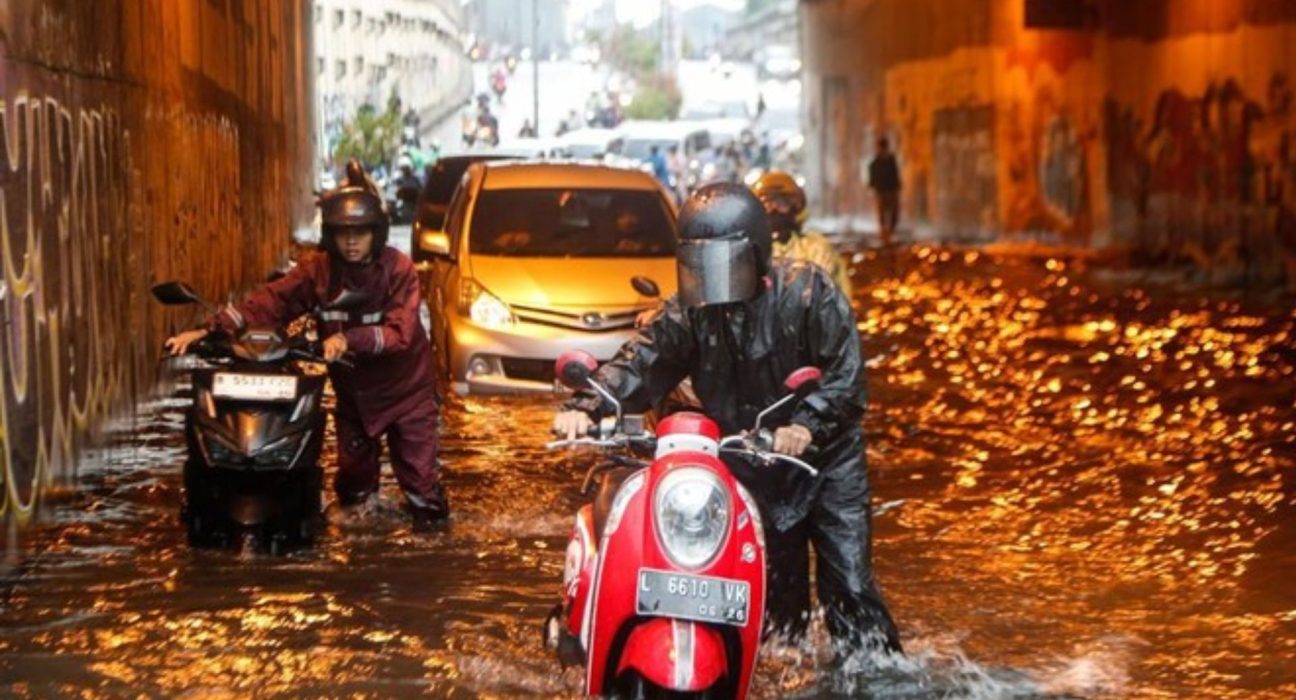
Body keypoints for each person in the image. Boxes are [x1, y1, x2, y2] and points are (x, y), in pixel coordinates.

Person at [553, 183, 901, 657]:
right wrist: (587, 405)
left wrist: (806, 425)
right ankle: (788, 680)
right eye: (700, 266)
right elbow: (642, 361)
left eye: (724, 265)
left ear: (756, 255)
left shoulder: (810, 292)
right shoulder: (690, 312)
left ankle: (875, 675)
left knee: (851, 588)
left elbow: (847, 378)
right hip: (750, 464)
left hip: (825, 465)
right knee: (775, 607)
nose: (712, 280)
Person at [165, 164, 449, 529]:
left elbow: (400, 333)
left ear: (376, 234)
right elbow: (270, 302)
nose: (351, 242)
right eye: (343, 233)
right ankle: (362, 553)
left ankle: (434, 542)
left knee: (421, 489)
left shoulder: (398, 270)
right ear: (330, 236)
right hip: (354, 398)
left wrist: (347, 339)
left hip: (406, 394)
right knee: (355, 489)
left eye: (360, 233)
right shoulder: (318, 271)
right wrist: (208, 330)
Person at [752, 170, 852, 297]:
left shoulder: (816, 247)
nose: (774, 209)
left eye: (782, 203)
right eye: (767, 203)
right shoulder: (750, 250)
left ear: (796, 207)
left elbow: (836, 297)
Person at [868, 137, 902, 246]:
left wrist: (897, 187)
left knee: (894, 212)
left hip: (891, 190)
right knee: (882, 212)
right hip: (881, 191)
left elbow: (896, 175)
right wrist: (873, 186)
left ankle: (890, 231)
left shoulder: (891, 161)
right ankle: (884, 231)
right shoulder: (875, 163)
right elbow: (872, 178)